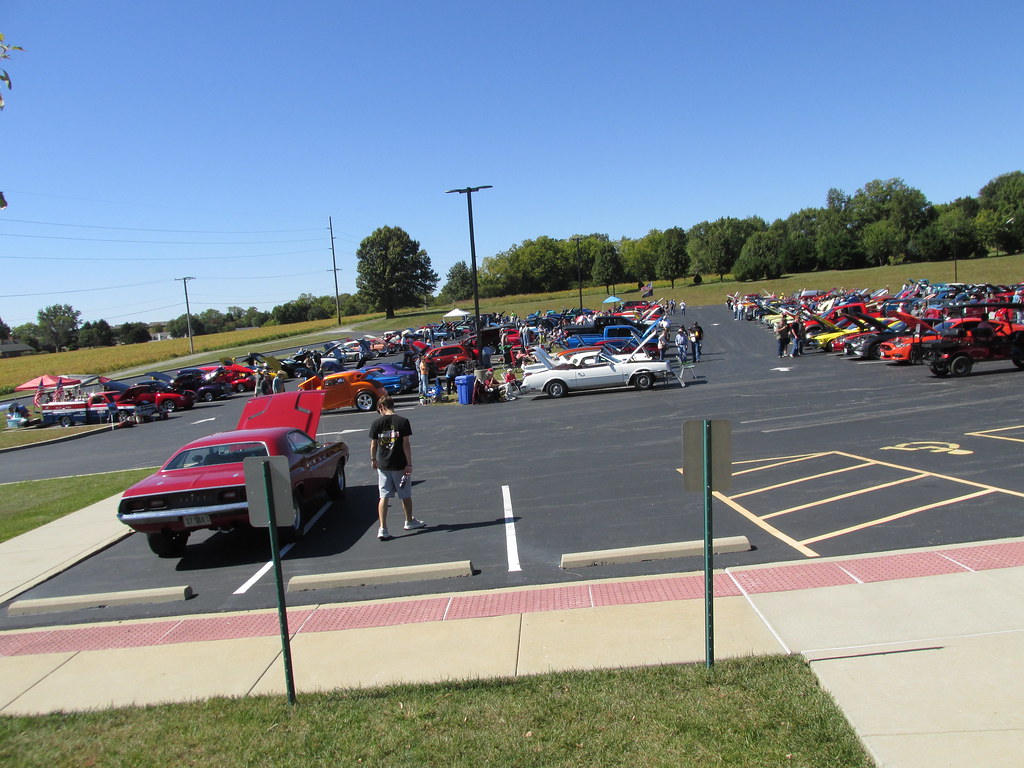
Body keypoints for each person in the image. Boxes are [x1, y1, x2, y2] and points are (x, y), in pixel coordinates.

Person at [368, 395, 425, 541]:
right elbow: (406, 444)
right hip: (399, 464)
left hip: (383, 465)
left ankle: (382, 528)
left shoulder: (376, 423)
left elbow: (374, 444)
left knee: (384, 496)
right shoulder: (403, 422)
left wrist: (373, 459)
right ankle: (409, 520)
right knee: (405, 494)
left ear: (381, 407)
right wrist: (409, 463)